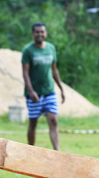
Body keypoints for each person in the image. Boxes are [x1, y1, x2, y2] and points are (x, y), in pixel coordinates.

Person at [21, 22, 66, 150]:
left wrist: (61, 89)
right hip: (34, 94)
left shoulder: (51, 48)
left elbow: (54, 70)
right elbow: (25, 73)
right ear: (32, 34)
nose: (40, 34)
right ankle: (31, 150)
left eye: (42, 32)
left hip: (49, 91)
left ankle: (57, 152)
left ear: (45, 33)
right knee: (33, 123)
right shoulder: (28, 50)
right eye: (37, 32)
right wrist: (31, 91)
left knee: (54, 121)